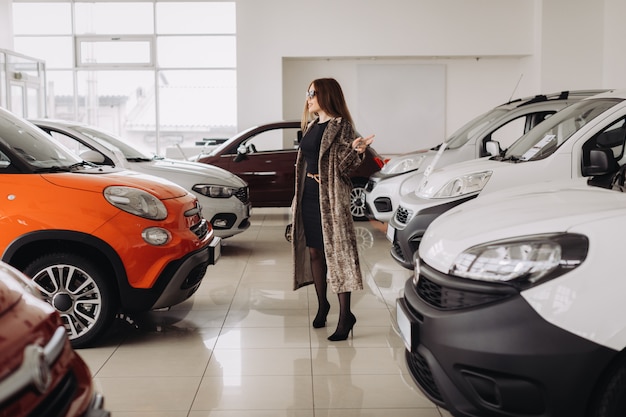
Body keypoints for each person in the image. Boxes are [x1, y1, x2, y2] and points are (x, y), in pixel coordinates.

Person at [290, 77, 374, 341]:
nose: (308, 97)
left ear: (326, 95)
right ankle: (322, 304)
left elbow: (343, 166)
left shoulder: (342, 126)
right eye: (307, 92)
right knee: (315, 252)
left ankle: (345, 315)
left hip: (331, 198)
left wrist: (356, 151)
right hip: (309, 195)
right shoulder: (313, 125)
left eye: (312, 93)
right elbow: (305, 164)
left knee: (336, 255)